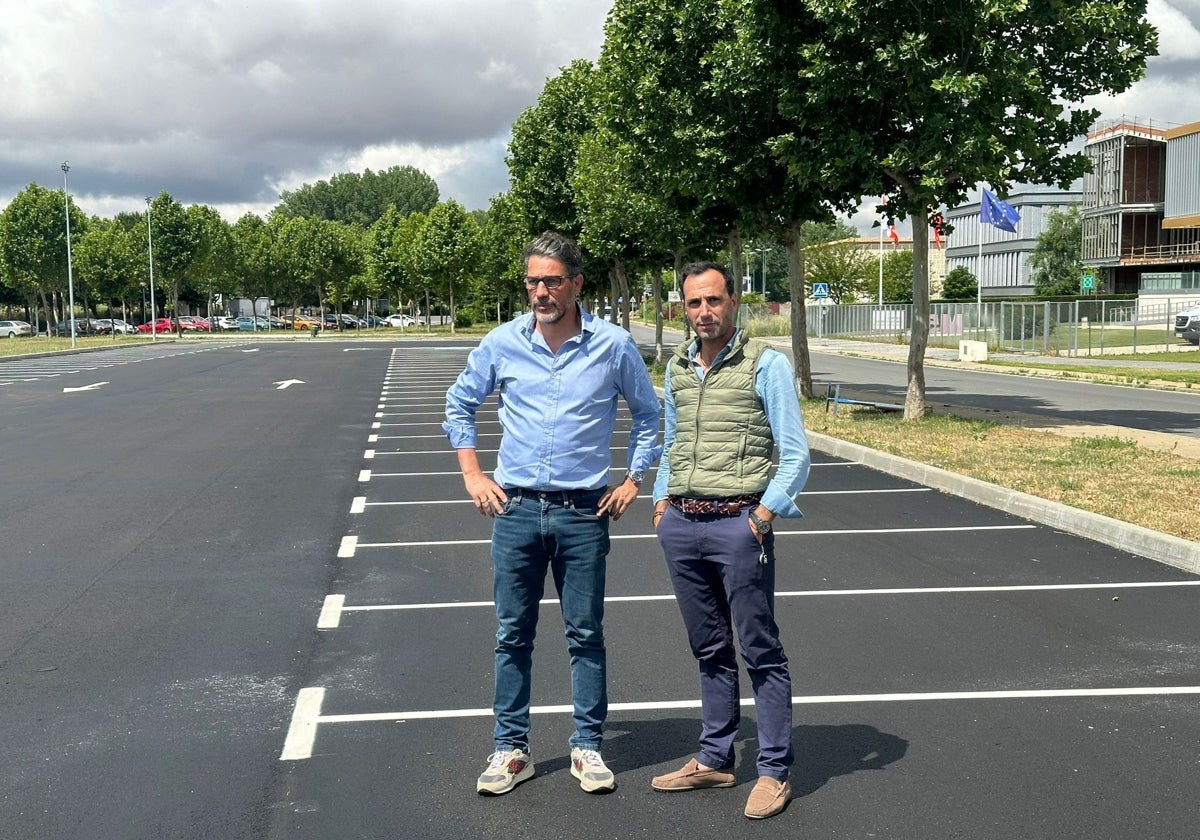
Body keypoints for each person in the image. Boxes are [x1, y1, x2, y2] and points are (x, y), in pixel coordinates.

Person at [443, 231, 661, 796]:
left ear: (577, 284)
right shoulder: (502, 343)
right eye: (533, 281)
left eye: (553, 281)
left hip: (583, 514)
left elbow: (648, 415)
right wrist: (472, 474)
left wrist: (636, 480)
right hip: (514, 510)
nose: (541, 292)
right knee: (512, 634)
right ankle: (510, 749)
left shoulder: (613, 346)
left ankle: (587, 746)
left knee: (585, 634)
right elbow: (459, 403)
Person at [649, 261, 811, 820]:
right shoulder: (676, 367)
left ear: (735, 301)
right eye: (693, 304)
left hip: (739, 525)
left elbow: (795, 454)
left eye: (713, 301)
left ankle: (773, 771)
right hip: (683, 526)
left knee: (760, 650)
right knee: (709, 649)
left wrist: (762, 516)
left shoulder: (766, 365)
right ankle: (716, 758)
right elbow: (673, 441)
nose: (703, 313)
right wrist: (661, 501)